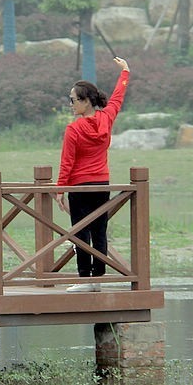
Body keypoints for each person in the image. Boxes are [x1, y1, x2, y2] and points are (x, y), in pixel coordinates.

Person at [56, 56, 130, 292]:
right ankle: (97, 279)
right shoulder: (106, 119)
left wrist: (60, 190)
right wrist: (125, 73)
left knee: (80, 230)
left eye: (73, 100)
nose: (71, 104)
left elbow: (67, 162)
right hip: (101, 184)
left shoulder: (74, 128)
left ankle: (84, 278)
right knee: (99, 229)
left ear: (86, 101)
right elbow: (118, 97)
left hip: (79, 185)